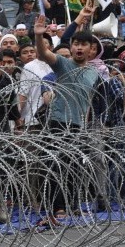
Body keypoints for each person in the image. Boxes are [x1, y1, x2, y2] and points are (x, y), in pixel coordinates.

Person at [34, 11, 99, 221]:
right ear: (71, 47)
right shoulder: (63, 64)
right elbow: (45, 54)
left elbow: (89, 100)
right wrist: (38, 36)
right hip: (58, 122)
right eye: (76, 44)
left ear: (91, 50)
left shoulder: (94, 73)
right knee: (57, 166)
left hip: (78, 124)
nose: (79, 47)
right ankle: (57, 208)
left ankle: (71, 204)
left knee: (74, 167)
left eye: (84, 44)